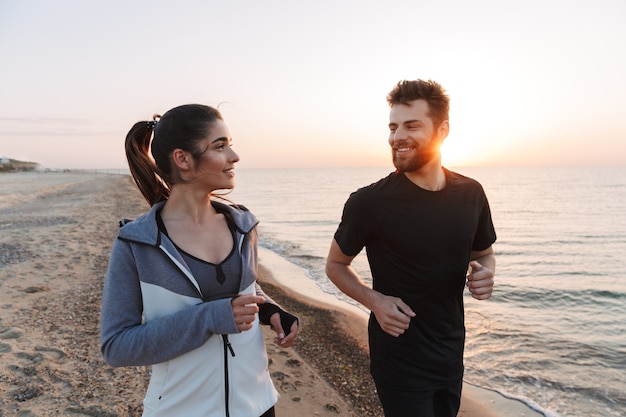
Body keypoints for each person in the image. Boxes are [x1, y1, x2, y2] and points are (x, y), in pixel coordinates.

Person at [100, 104, 299, 417]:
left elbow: (247, 288)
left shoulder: (244, 227)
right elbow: (116, 346)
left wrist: (269, 309)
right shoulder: (137, 243)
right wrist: (210, 318)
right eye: (220, 146)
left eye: (230, 144)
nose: (234, 156)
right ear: (183, 159)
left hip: (258, 405)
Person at [325, 79, 496, 417]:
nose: (397, 136)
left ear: (442, 129)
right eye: (393, 127)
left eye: (411, 125)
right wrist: (375, 302)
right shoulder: (369, 202)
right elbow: (335, 265)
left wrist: (486, 273)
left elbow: (483, 253)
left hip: (450, 352)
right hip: (399, 358)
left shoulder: (471, 193)